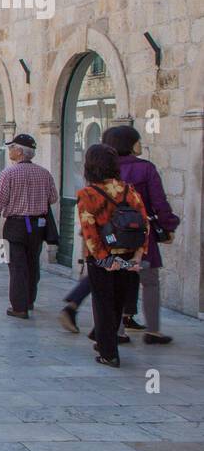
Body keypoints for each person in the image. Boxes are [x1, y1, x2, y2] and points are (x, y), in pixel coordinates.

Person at [59, 126, 178, 344]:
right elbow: (159, 202)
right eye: (137, 140)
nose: (140, 144)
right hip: (138, 234)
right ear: (130, 144)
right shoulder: (146, 169)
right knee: (149, 281)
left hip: (107, 236)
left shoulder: (100, 170)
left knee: (112, 281)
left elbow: (92, 207)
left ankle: (116, 330)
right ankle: (153, 330)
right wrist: (168, 225)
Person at [76, 144, 149, 368]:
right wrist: (138, 256)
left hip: (102, 257)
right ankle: (105, 341)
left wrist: (104, 259)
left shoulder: (87, 194)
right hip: (127, 254)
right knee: (117, 302)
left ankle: (108, 353)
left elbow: (89, 231)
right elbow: (143, 224)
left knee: (103, 303)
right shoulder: (129, 190)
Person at [0, 133, 58, 319]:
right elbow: (53, 198)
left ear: (19, 152)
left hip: (16, 225)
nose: (10, 150)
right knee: (32, 262)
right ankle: (29, 300)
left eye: (12, 147)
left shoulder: (8, 173)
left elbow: (0, 200)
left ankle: (19, 307)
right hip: (37, 225)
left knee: (17, 265)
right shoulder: (44, 173)